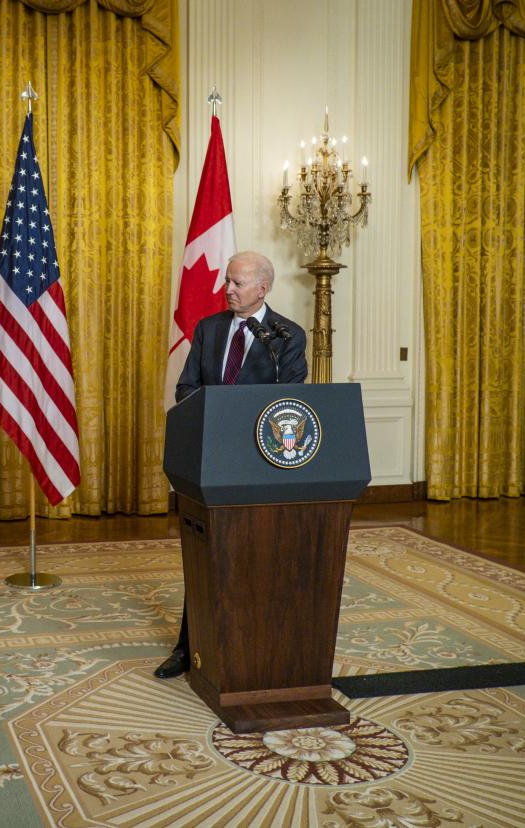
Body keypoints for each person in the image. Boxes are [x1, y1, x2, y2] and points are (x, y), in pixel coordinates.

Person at [155, 249, 308, 678]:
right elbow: (187, 388)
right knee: (206, 557)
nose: (228, 290)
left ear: (263, 288)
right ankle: (189, 648)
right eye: (227, 281)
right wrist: (215, 415)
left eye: (237, 283)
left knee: (257, 559)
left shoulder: (287, 336)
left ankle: (256, 647)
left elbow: (288, 403)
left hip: (261, 467)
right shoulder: (209, 329)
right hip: (209, 462)